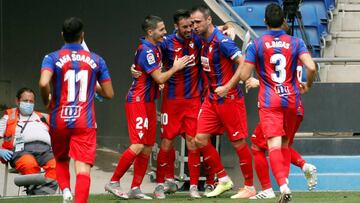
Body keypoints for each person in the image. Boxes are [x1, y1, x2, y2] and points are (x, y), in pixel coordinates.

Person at [218, 3, 316, 202]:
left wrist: (251, 74)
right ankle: (286, 181)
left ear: (264, 22)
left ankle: (282, 186)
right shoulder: (296, 42)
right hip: (291, 100)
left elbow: (245, 74)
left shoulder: (258, 43)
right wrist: (309, 85)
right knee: (284, 144)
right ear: (283, 22)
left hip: (270, 101)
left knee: (272, 145)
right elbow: (311, 67)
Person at [105, 15, 193, 200]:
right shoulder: (147, 51)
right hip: (138, 102)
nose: (165, 32)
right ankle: (113, 181)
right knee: (137, 145)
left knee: (146, 148)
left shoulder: (156, 46)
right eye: (161, 29)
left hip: (149, 102)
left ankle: (135, 188)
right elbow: (160, 78)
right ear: (150, 32)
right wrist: (175, 67)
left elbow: (150, 72)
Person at [39, 17, 114, 203]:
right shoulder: (96, 59)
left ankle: (65, 191)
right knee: (83, 168)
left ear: (62, 35)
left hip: (59, 119)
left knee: (62, 159)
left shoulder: (52, 57)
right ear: (83, 36)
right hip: (84, 120)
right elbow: (109, 94)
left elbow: (43, 82)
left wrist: (46, 100)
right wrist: (91, 85)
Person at [190, 5, 255, 199]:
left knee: (238, 143)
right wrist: (225, 24)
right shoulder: (202, 39)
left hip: (229, 98)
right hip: (211, 99)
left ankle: (250, 187)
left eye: (197, 22)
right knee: (199, 139)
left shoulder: (223, 42)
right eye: (192, 23)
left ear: (208, 20)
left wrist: (228, 86)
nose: (194, 26)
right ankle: (224, 179)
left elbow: (243, 62)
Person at [245, 77, 317, 199]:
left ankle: (269, 188)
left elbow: (279, 78)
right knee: (284, 144)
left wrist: (259, 82)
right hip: (295, 107)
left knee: (258, 146)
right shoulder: (298, 57)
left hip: (277, 106)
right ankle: (302, 168)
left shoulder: (281, 57)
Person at [0, 88, 58, 195]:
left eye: (31, 101)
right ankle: (38, 196)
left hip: (45, 151)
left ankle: (40, 197)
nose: (28, 104)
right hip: (21, 151)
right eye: (25, 101)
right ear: (17, 101)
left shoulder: (43, 117)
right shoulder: (8, 117)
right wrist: (0, 151)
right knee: (29, 164)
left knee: (57, 166)